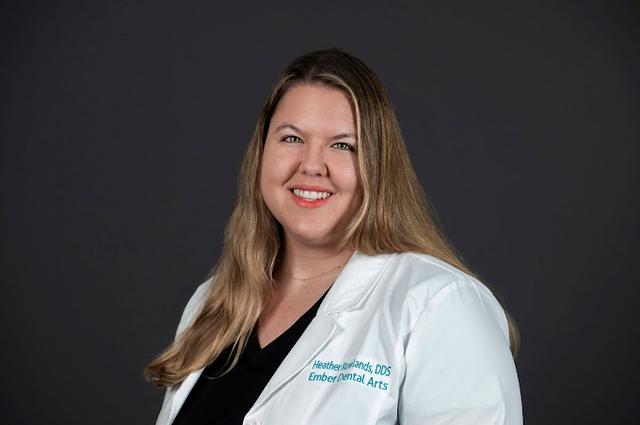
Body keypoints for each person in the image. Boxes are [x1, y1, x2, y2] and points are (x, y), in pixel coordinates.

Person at [145, 48, 523, 425]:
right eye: (291, 138)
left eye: (343, 145)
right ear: (261, 152)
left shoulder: (438, 305)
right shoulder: (213, 303)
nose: (311, 165)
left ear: (377, 166)